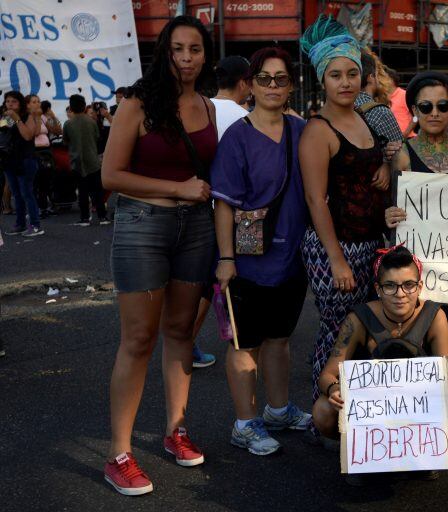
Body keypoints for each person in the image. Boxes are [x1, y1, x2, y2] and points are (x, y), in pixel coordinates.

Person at [100, 16, 218, 496]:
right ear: (163, 52)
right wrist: (180, 188)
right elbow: (111, 175)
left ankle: (176, 429)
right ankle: (119, 454)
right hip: (142, 226)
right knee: (139, 339)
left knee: (181, 332)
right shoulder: (138, 102)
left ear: (205, 55)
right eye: (177, 49)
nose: (186, 58)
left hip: (197, 229)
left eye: (194, 49)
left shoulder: (209, 106)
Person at [211, 46, 312, 456]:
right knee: (243, 345)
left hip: (292, 258)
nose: (272, 86)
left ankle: (277, 410)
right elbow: (224, 203)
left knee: (280, 339)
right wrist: (225, 258)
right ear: (250, 84)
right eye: (264, 78)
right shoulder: (238, 136)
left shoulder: (302, 130)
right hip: (247, 263)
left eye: (281, 78)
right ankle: (244, 423)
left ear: (291, 85)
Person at [312, 245, 448, 484]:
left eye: (408, 285)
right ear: (378, 289)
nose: (400, 293)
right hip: (372, 412)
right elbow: (327, 374)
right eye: (390, 286)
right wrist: (334, 391)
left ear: (419, 287)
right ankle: (361, 453)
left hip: (419, 408)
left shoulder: (434, 315)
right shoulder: (359, 318)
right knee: (323, 411)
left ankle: (426, 456)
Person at [383, 72, 448, 424]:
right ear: (414, 109)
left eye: (443, 105)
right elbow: (392, 208)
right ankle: (422, 422)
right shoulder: (403, 154)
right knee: (416, 342)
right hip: (418, 270)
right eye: (426, 106)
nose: (435, 112)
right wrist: (391, 213)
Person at [299, 15, 388, 411]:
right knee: (338, 332)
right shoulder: (318, 130)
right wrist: (336, 260)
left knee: (368, 329)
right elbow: (316, 200)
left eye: (352, 73)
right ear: (323, 79)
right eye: (336, 75)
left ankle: (361, 418)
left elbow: (383, 156)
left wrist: (386, 165)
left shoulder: (366, 117)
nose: (346, 82)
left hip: (371, 242)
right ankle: (325, 414)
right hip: (335, 247)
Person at [188, 54, 253, 370]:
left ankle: (186, 340)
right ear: (244, 83)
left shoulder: (202, 110)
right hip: (233, 213)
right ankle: (189, 341)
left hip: (198, 206)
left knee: (204, 280)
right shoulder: (246, 118)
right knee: (218, 280)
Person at [2, 91, 43, 237]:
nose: (10, 104)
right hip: (9, 161)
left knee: (27, 193)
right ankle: (20, 224)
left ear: (20, 103)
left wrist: (17, 119)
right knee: (17, 195)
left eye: (14, 101)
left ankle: (35, 225)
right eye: (7, 101)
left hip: (25, 160)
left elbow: (28, 136)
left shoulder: (27, 117)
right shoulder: (5, 118)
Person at [64, 94, 108, 226]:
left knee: (82, 191)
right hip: (93, 160)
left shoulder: (68, 123)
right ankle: (102, 216)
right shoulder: (91, 122)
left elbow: (66, 141)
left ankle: (84, 217)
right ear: (84, 107)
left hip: (77, 161)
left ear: (71, 107)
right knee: (97, 190)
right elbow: (97, 137)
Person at [355, 49, 401, 146]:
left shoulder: (338, 110)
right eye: (376, 74)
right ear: (371, 77)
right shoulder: (380, 113)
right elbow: (401, 157)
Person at [27, 95, 57, 218]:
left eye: (38, 101)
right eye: (34, 102)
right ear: (27, 105)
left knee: (45, 181)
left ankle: (44, 207)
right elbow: (36, 132)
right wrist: (38, 117)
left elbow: (57, 130)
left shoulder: (43, 117)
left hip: (46, 151)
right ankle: (36, 209)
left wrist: (53, 116)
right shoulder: (27, 118)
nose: (37, 104)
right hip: (34, 151)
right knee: (35, 182)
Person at [384, 66, 413, 137]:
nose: (381, 81)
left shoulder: (404, 94)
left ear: (392, 80)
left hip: (407, 139)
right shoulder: (382, 97)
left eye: (384, 78)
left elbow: (416, 116)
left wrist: (406, 133)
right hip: (390, 140)